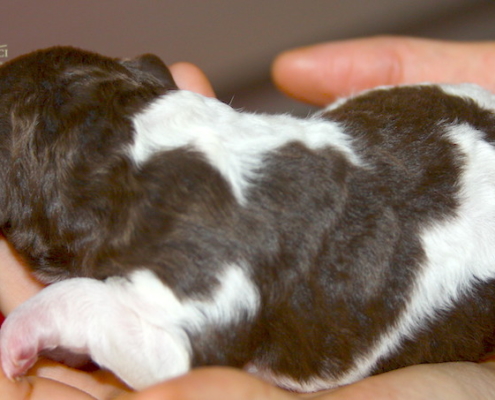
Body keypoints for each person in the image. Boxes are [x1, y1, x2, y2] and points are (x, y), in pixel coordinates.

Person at [2, 35, 495, 400]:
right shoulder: (187, 188)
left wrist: (72, 311)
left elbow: (177, 367)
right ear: (147, 81)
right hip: (455, 121)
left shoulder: (200, 258)